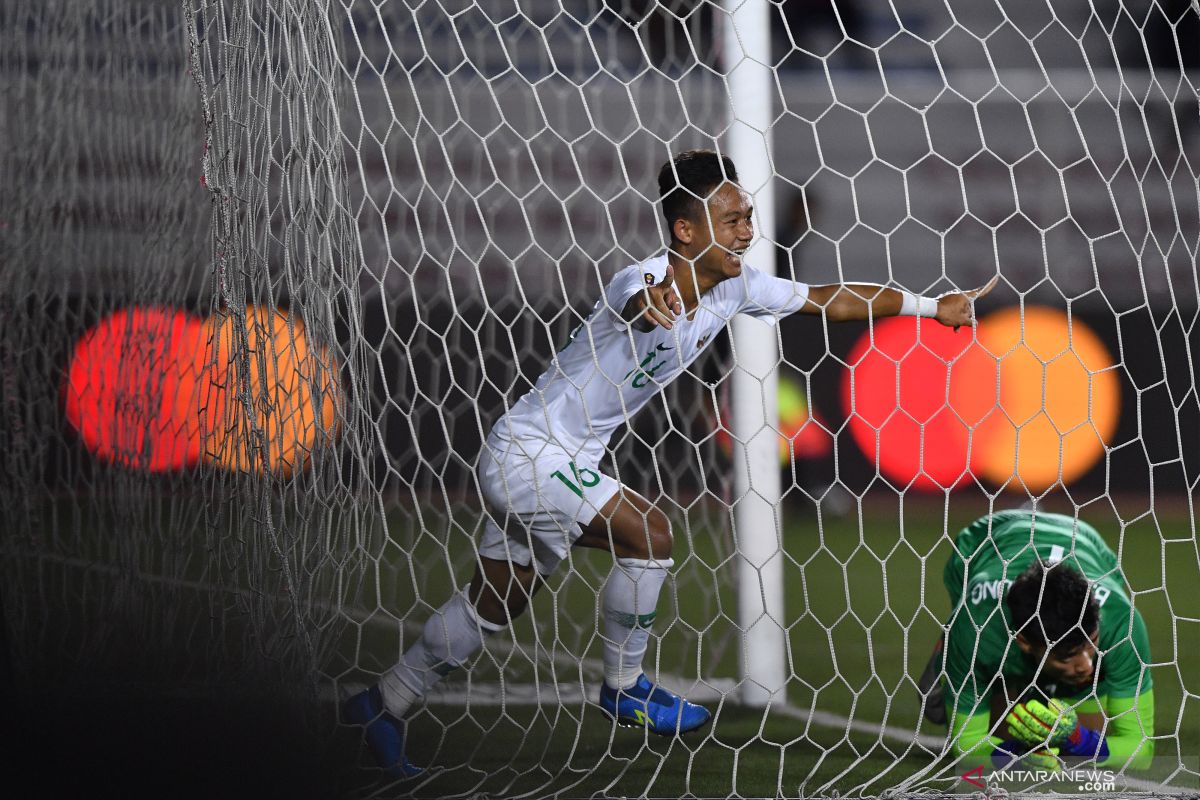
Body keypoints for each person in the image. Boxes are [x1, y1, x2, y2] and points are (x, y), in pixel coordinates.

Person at [345, 148, 993, 777]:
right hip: (528, 453)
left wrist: (933, 308)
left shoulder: (737, 288)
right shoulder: (646, 277)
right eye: (732, 220)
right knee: (650, 535)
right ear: (686, 231)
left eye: (747, 216)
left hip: (558, 458)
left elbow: (831, 297)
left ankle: (381, 705)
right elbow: (637, 296)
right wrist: (649, 306)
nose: (747, 231)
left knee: (495, 601)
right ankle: (625, 687)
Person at [919, 509, 1155, 771]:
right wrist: (1015, 754)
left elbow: (1142, 750)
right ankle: (950, 653)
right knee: (1006, 732)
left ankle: (1053, 671)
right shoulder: (977, 627)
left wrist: (1080, 739)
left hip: (1083, 540)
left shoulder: (1121, 623)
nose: (1087, 665)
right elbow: (966, 746)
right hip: (984, 546)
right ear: (1024, 642)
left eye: (1091, 644)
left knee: (1079, 755)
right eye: (1067, 656)